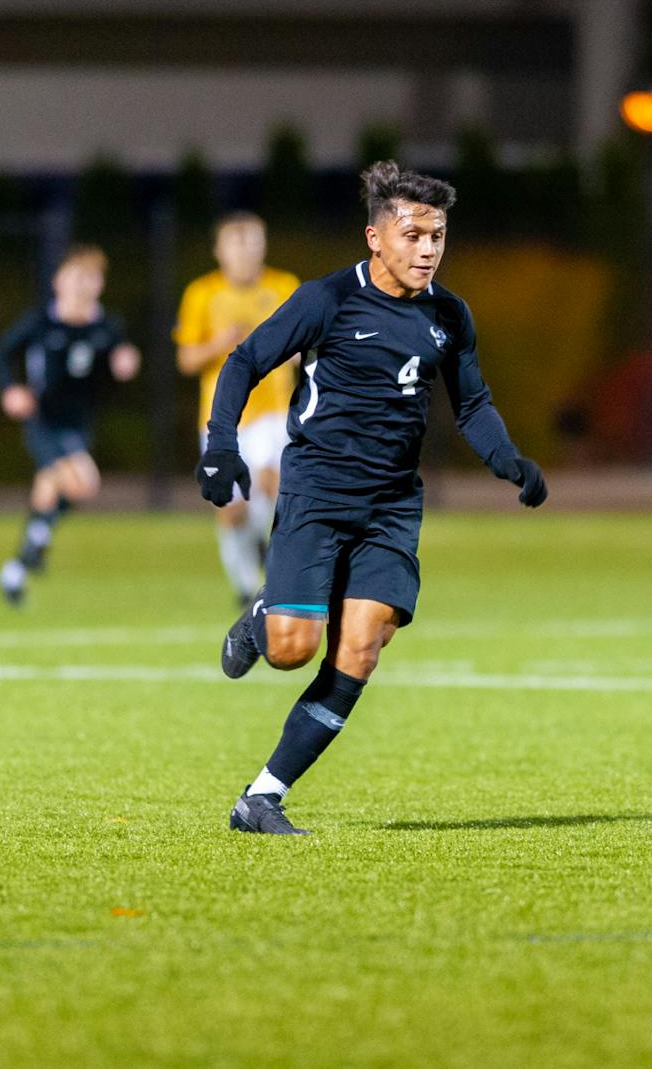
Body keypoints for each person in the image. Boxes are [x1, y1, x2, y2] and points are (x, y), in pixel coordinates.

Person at [195, 161, 548, 835]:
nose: (428, 249)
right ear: (374, 238)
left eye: (438, 236)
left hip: (390, 506)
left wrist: (509, 461)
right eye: (413, 234)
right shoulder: (328, 300)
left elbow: (472, 402)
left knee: (361, 646)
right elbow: (243, 360)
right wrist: (221, 446)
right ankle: (266, 611)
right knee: (293, 648)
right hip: (318, 493)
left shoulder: (449, 314)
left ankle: (262, 797)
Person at [0, 244, 140, 605]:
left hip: (78, 424)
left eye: (89, 279)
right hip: (42, 419)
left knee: (55, 487)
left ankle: (20, 563)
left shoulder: (106, 326)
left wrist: (126, 360)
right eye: (74, 277)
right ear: (58, 281)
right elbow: (1, 353)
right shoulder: (41, 321)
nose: (80, 285)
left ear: (99, 285)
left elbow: (122, 354)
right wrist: (10, 389)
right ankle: (34, 545)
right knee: (82, 483)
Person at [174, 212, 300, 605]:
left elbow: (305, 342)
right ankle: (246, 583)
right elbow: (187, 360)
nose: (247, 253)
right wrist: (221, 343)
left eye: (254, 243)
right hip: (224, 418)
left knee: (272, 483)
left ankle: (263, 572)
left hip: (276, 409)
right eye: (238, 244)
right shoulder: (202, 293)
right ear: (220, 250)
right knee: (233, 509)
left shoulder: (284, 286)